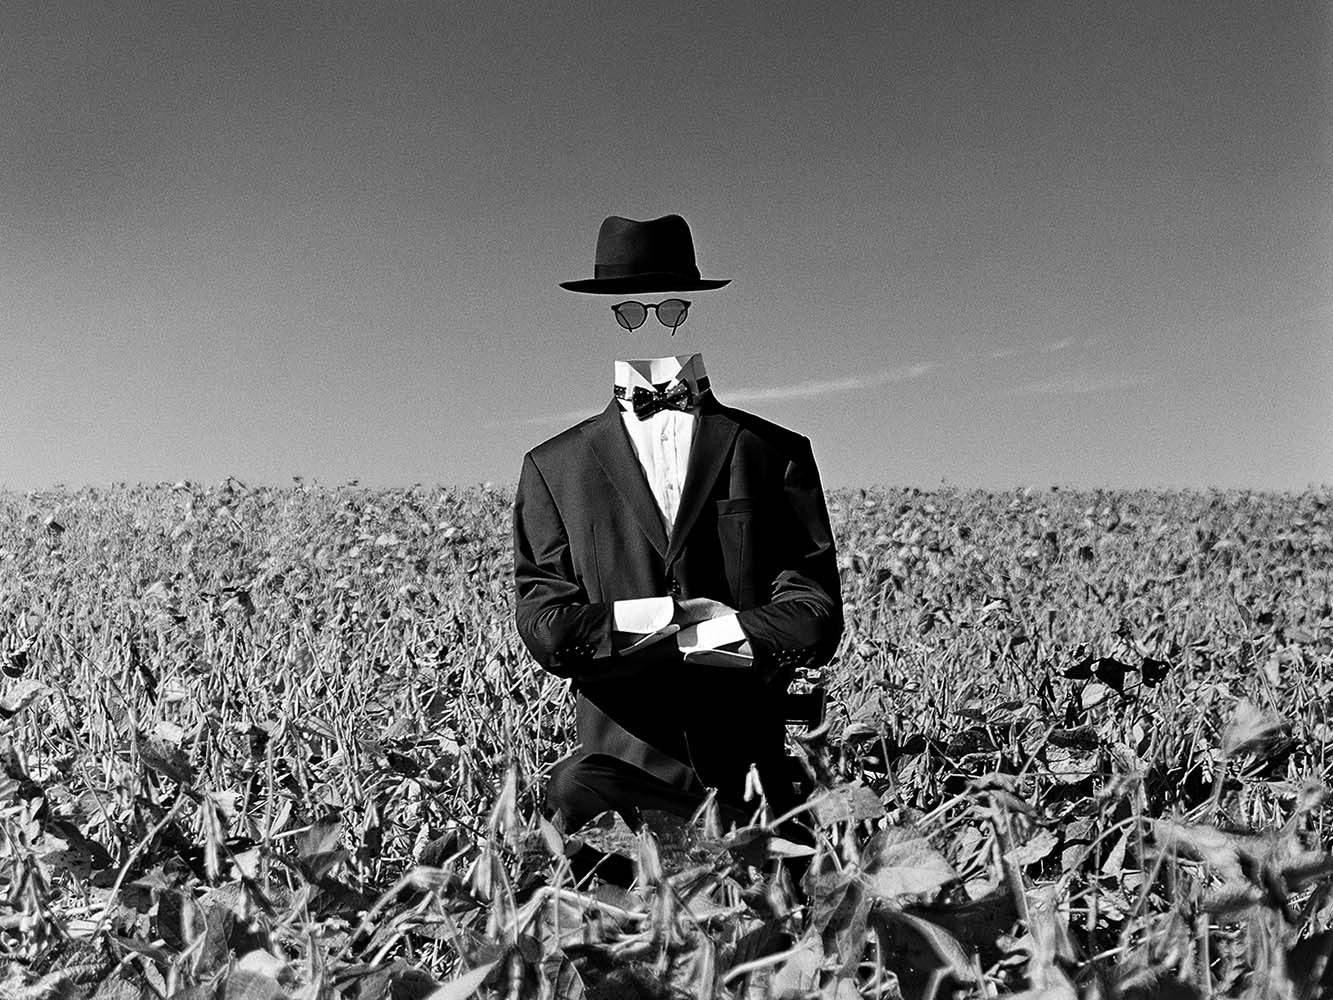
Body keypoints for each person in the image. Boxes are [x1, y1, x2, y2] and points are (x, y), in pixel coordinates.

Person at [513, 214, 843, 841]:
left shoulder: (775, 453)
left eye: (668, 309)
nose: (652, 326)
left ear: (695, 310)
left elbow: (816, 617)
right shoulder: (553, 470)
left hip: (753, 776)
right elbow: (548, 630)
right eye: (627, 313)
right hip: (618, 782)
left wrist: (711, 628)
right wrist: (669, 622)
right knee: (570, 793)